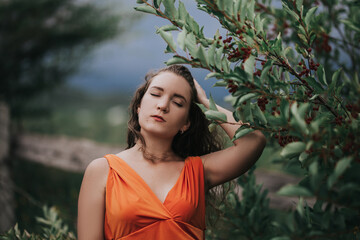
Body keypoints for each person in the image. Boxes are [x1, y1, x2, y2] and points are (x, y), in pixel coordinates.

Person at [77, 65, 266, 240]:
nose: (163, 105)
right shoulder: (103, 171)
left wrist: (205, 101)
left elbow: (253, 141)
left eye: (178, 102)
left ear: (186, 123)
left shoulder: (198, 171)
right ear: (139, 106)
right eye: (155, 94)